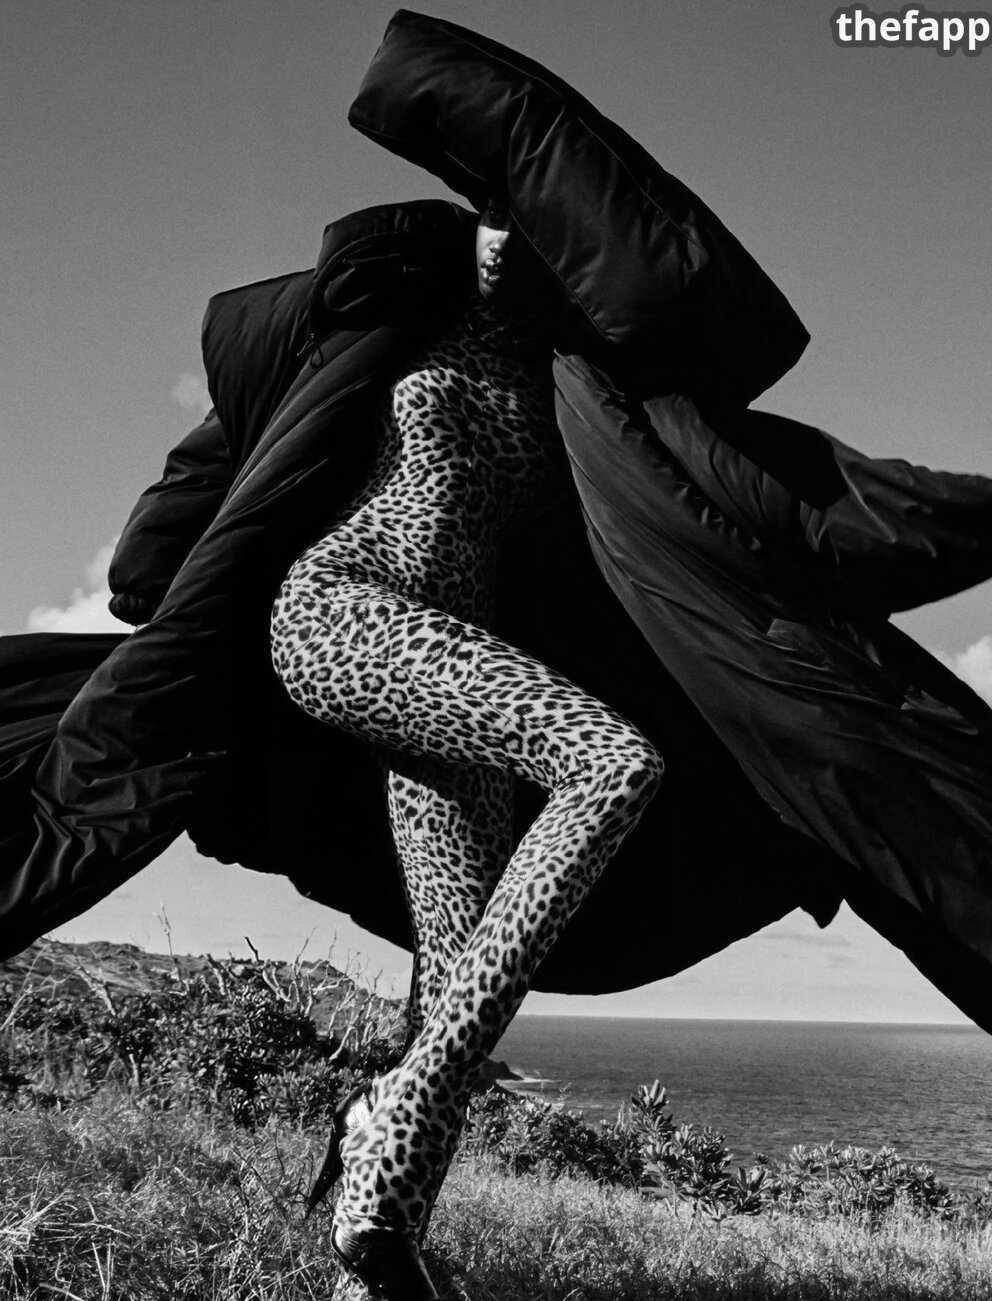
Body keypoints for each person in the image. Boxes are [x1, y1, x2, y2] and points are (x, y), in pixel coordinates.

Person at [268, 204, 663, 1299]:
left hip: (462, 677)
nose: (508, 240)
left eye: (531, 226)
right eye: (494, 217)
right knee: (612, 762)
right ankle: (389, 1116)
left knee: (450, 982)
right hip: (346, 608)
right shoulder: (408, 314)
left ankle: (374, 1251)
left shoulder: (573, 381)